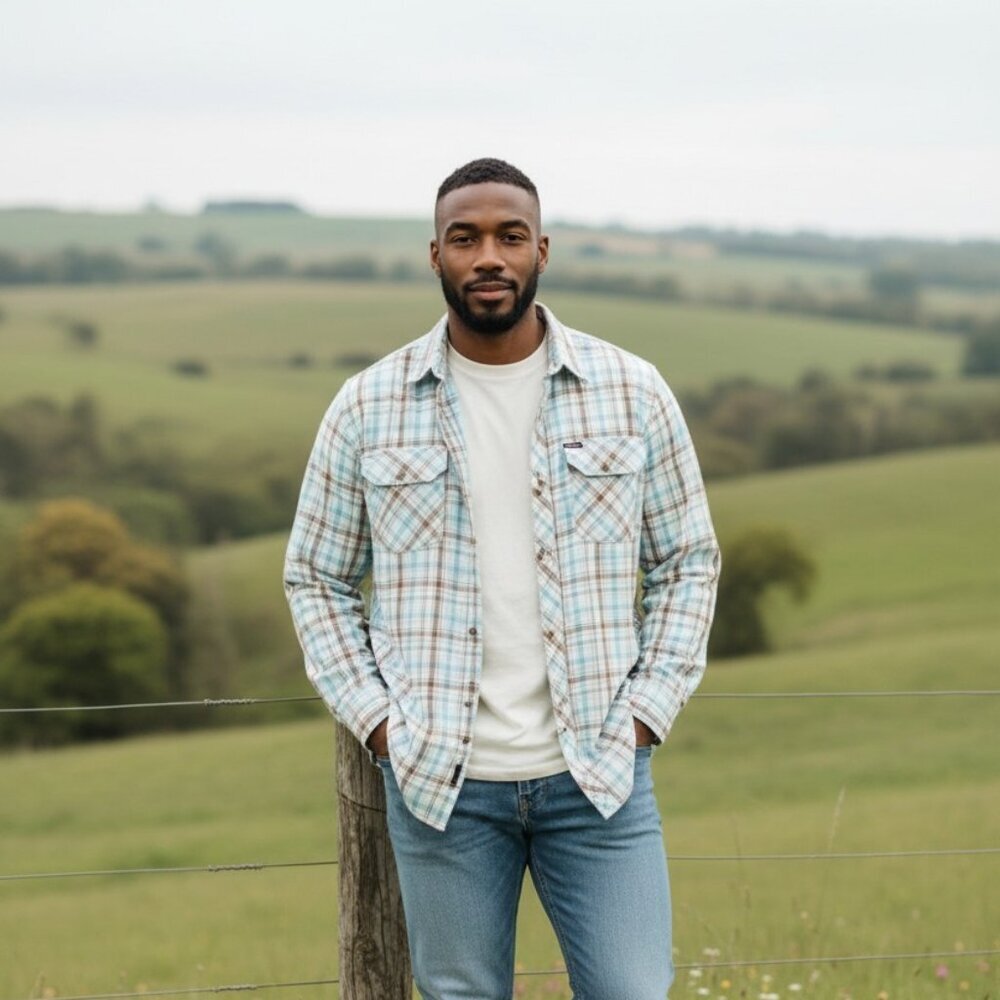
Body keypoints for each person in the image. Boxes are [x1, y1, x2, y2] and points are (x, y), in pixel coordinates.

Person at [284, 157, 720, 999]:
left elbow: (688, 561)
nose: (489, 255)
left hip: (597, 780)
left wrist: (643, 715)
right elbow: (317, 578)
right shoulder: (368, 405)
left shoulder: (632, 392)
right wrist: (382, 726)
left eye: (509, 236)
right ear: (436, 256)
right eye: (466, 237)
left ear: (541, 251)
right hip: (441, 788)